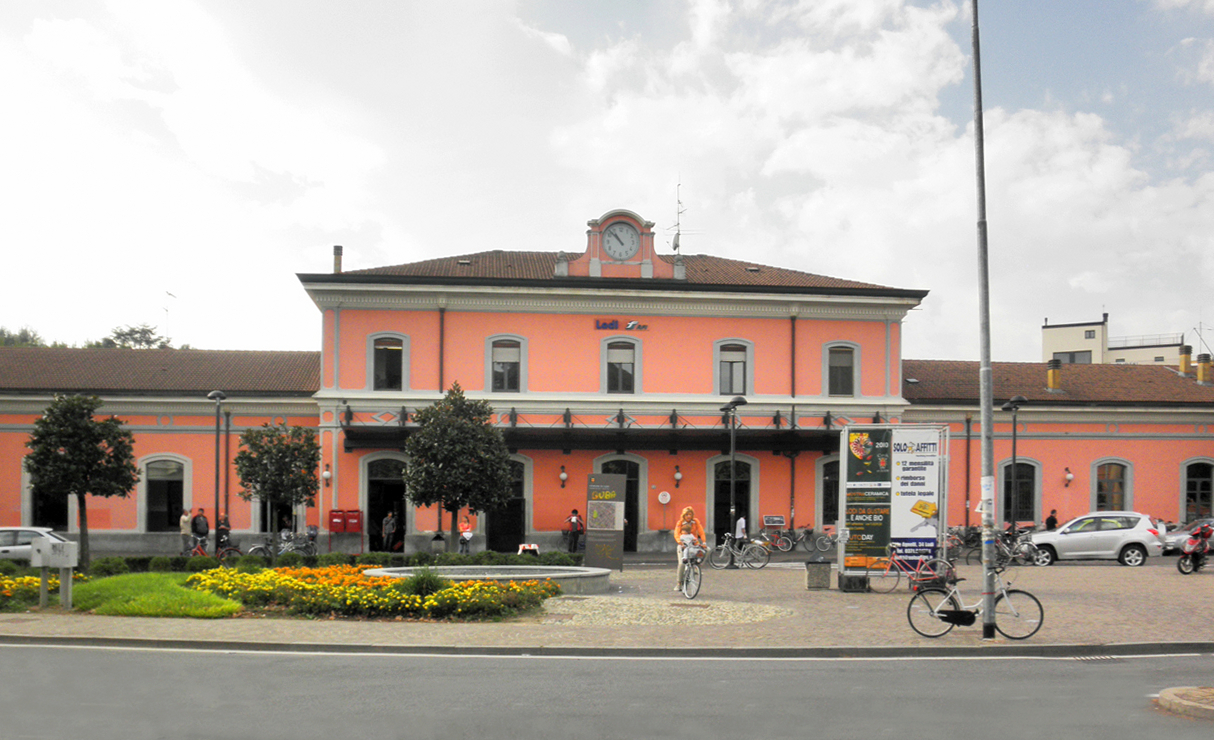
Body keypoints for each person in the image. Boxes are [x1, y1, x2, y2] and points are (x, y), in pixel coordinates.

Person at [672, 506, 707, 591]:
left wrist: (704, 542)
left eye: (690, 514)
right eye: (687, 514)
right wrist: (679, 541)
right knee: (681, 564)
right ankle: (679, 583)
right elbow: (676, 534)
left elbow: (701, 532)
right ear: (684, 515)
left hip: (693, 544)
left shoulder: (695, 522)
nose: (688, 516)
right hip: (683, 545)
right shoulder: (680, 523)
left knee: (707, 550)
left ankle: (697, 565)